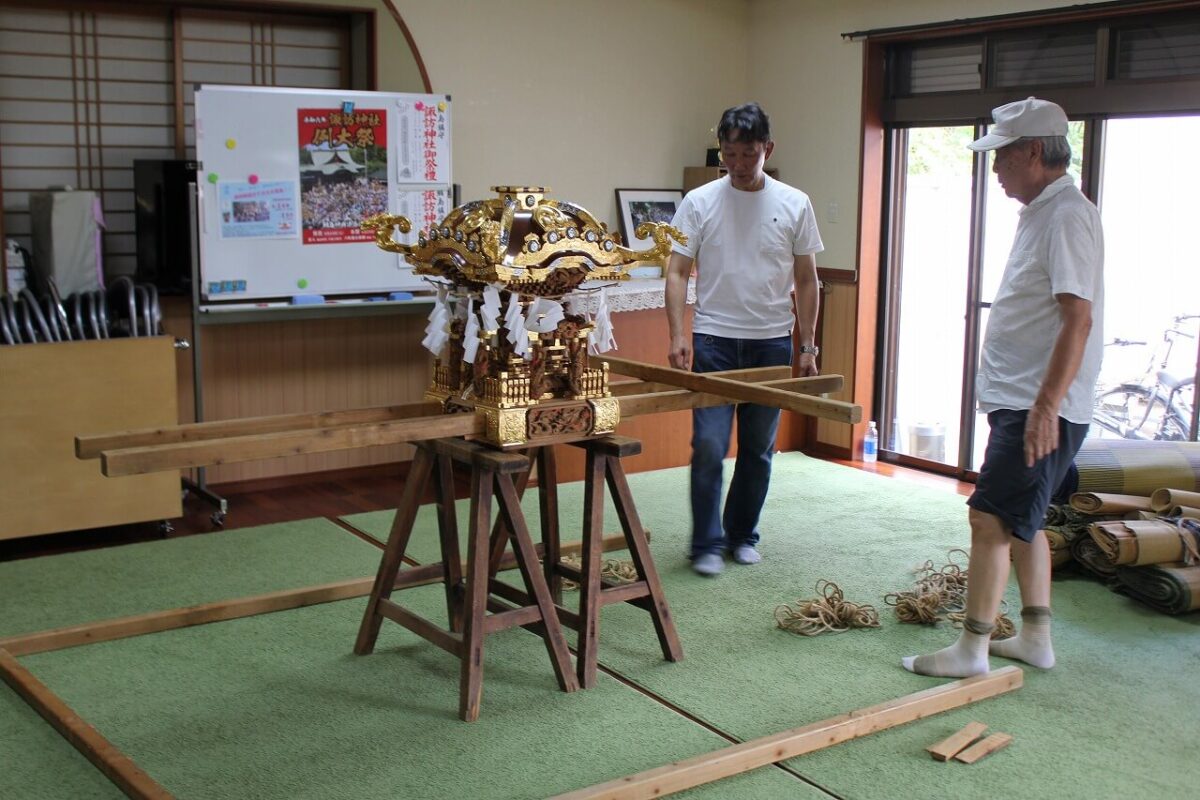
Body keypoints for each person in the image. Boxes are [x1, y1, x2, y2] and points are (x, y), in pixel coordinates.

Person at [903, 97, 1104, 677]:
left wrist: (1045, 407)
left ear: (1034, 152)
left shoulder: (1067, 215)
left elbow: (1078, 317)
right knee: (1023, 522)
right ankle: (1036, 636)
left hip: (1038, 403)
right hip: (1026, 398)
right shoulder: (1046, 210)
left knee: (988, 519)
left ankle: (971, 649)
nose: (994, 169)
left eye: (1002, 157)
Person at [664, 102, 824, 577]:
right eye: (728, 154)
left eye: (747, 154)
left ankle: (741, 534)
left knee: (758, 449)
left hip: (771, 342)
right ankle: (705, 544)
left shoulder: (795, 202)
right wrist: (678, 333)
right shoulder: (699, 201)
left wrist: (808, 345)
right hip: (713, 339)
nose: (736, 165)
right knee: (710, 445)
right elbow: (676, 271)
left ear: (767, 149)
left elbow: (809, 278)